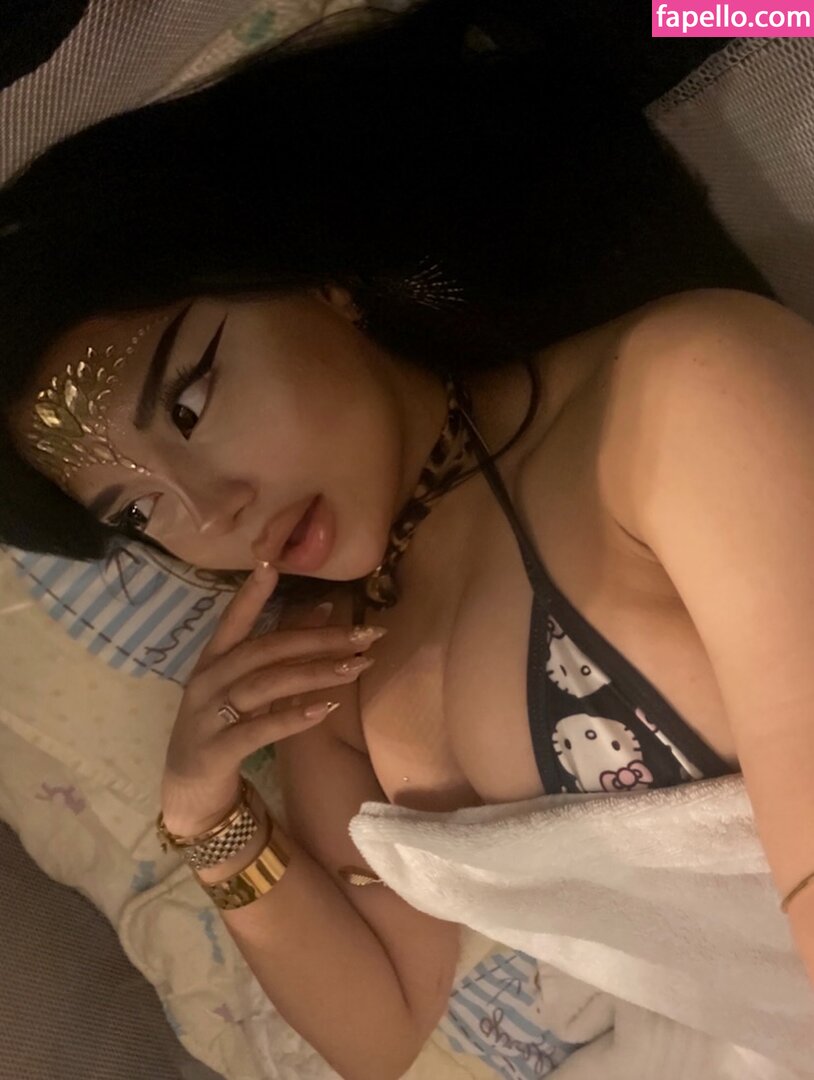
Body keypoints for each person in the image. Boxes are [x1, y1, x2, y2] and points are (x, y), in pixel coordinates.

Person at [1, 3, 812, 1077]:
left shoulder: (678, 393)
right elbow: (380, 1026)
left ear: (315, 280)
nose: (212, 514)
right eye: (139, 513)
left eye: (191, 403)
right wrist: (202, 812)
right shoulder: (333, 668)